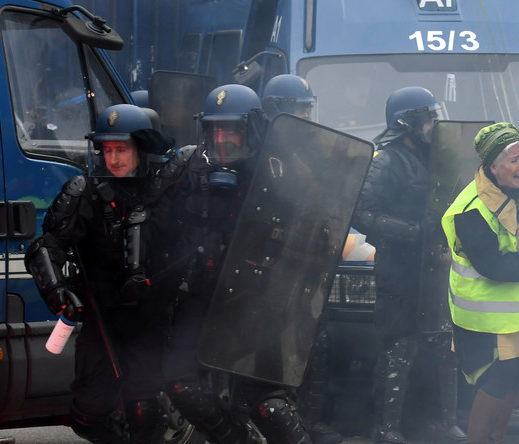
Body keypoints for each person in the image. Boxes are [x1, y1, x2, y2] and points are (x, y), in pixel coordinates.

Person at [162, 83, 313, 444]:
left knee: (268, 405)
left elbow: (311, 238)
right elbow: (155, 219)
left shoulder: (283, 171)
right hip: (201, 298)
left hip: (257, 302)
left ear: (253, 128)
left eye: (231, 130)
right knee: (181, 384)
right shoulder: (190, 167)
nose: (222, 140)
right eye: (214, 130)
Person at [24, 103, 180, 444]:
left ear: (141, 149)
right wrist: (58, 291)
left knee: (143, 408)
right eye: (107, 150)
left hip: (149, 319)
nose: (114, 159)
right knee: (87, 414)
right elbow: (46, 246)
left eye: (121, 150)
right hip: (102, 318)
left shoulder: (167, 193)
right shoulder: (85, 193)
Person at [352, 86, 467, 444]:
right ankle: (386, 428)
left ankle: (442, 421)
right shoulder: (384, 159)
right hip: (398, 268)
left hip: (433, 265)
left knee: (442, 344)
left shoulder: (436, 156)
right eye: (428, 117)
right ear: (408, 122)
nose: (435, 123)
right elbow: (361, 213)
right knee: (400, 348)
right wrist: (410, 231)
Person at [440, 122, 519, 444]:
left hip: (512, 308)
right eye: (514, 160)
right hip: (485, 314)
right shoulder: (471, 210)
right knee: (497, 379)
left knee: (515, 377)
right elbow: (492, 266)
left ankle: (496, 437)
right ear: (492, 167)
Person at [260, 74, 343, 444]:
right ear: (280, 112)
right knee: (276, 350)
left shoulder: (312, 152)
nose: (308, 119)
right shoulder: (267, 154)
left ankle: (308, 421)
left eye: (309, 110)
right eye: (301, 111)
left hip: (308, 264)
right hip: (275, 270)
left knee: (313, 344)